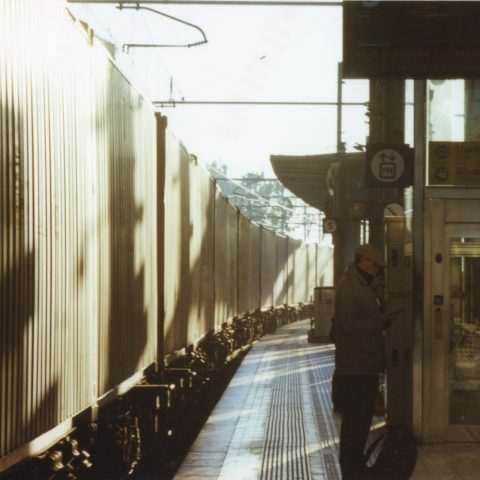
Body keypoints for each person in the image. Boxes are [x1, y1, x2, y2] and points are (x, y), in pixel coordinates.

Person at [334, 244, 397, 479]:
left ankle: (355, 465)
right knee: (355, 421)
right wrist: (380, 322)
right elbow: (351, 325)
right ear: (365, 262)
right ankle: (352, 469)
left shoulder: (360, 285)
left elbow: (360, 316)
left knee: (360, 421)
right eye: (374, 265)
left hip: (363, 364)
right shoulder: (350, 287)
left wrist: (374, 292)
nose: (376, 270)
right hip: (357, 366)